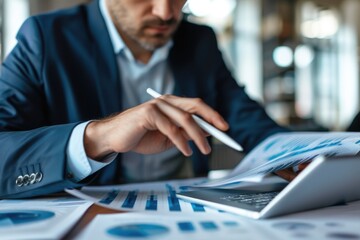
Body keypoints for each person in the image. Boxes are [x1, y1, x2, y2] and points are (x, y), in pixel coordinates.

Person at [0, 0, 288, 199]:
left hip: (189, 213)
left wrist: (300, 154)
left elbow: (247, 119)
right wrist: (99, 137)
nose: (166, 12)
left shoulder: (199, 41)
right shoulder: (46, 38)